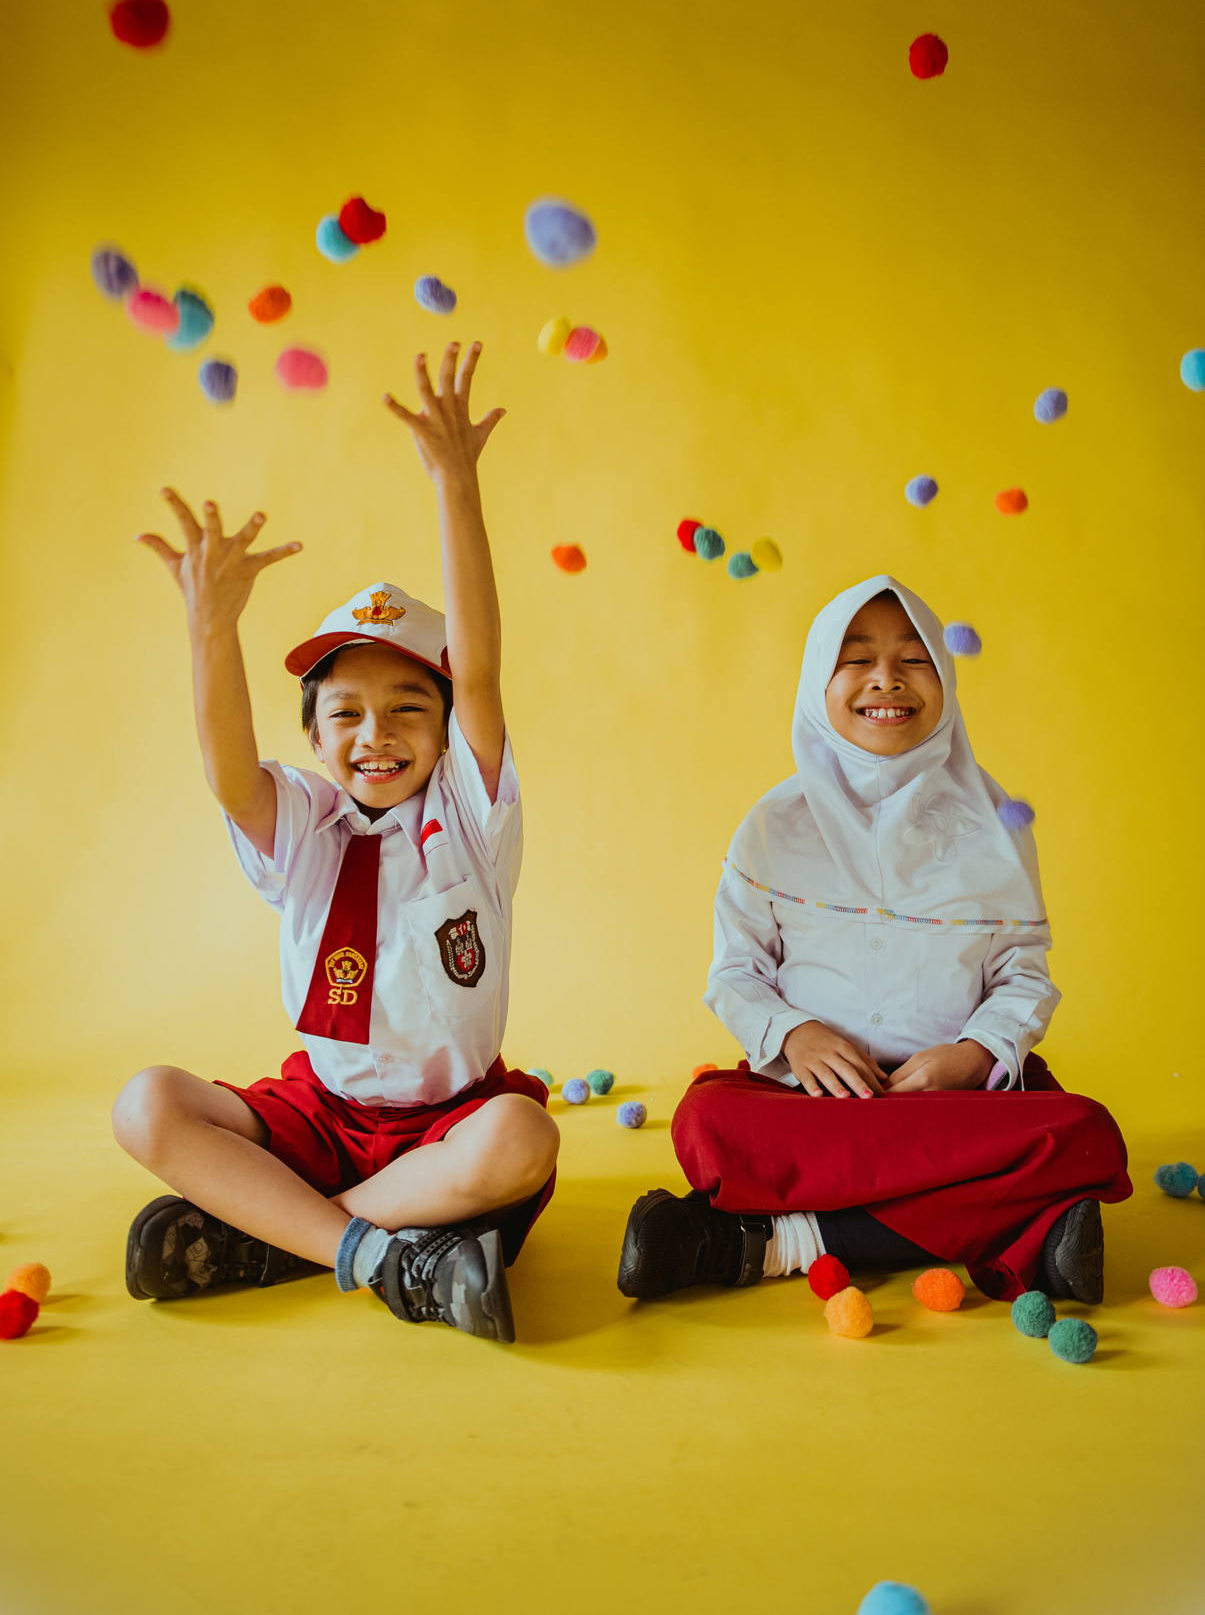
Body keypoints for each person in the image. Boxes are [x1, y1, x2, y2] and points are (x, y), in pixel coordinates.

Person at [113, 342, 559, 1344]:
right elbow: (230, 771)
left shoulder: (472, 819)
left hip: (450, 1125)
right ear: (312, 738)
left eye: (408, 706)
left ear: (443, 732)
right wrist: (211, 630)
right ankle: (383, 1249)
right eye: (346, 713)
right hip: (321, 1112)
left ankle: (288, 1237)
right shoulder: (307, 826)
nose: (377, 734)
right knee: (146, 1105)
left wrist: (454, 480)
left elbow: (479, 673)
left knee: (524, 1137)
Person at [617, 575, 1130, 1306]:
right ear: (816, 682)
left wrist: (972, 1055)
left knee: (1083, 1131)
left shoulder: (995, 824)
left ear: (944, 678)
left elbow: (1023, 975)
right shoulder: (771, 826)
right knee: (708, 1119)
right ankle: (1021, 1226)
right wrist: (794, 1037)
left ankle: (761, 1241)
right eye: (855, 658)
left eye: (912, 658)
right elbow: (735, 970)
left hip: (952, 1107)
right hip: (812, 1105)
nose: (885, 679)